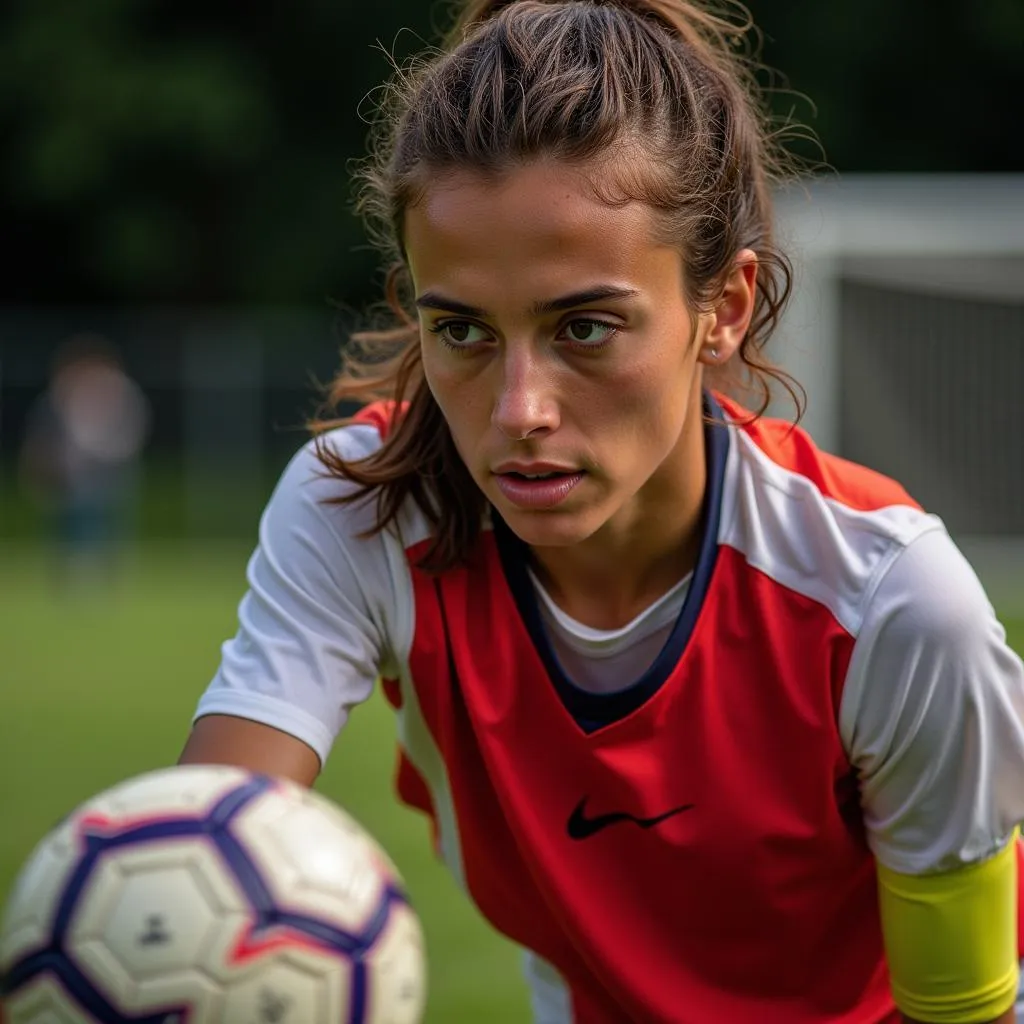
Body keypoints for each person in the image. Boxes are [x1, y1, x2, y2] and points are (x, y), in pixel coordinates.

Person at [179, 1, 1024, 1021]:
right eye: (463, 331)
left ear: (724, 307)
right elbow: (200, 854)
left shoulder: (892, 603)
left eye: (584, 326)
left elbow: (964, 1007)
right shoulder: (361, 509)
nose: (518, 410)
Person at [19, 333, 150, 589]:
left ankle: (105, 575)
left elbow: (131, 429)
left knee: (107, 523)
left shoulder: (120, 391)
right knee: (72, 523)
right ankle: (76, 576)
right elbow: (45, 436)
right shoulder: (61, 395)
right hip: (73, 474)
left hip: (111, 472)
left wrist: (109, 454)